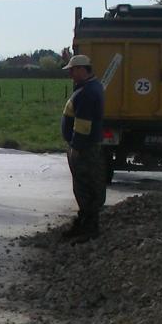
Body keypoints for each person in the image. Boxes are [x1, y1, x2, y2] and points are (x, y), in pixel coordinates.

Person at [60, 53, 105, 241]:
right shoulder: (90, 87)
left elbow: (83, 124)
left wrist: (76, 148)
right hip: (85, 146)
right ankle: (85, 223)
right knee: (85, 186)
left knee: (84, 187)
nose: (70, 74)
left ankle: (88, 228)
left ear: (81, 70)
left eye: (72, 70)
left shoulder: (86, 92)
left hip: (84, 148)